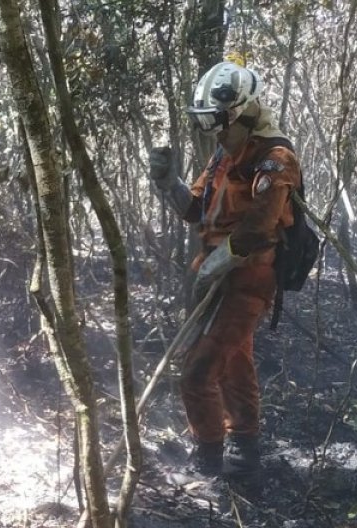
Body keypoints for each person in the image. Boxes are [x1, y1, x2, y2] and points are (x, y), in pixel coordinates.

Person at [148, 60, 302, 479]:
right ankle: (244, 449)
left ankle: (210, 460)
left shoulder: (276, 158)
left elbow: (257, 229)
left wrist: (214, 268)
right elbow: (196, 209)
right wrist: (168, 182)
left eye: (222, 125)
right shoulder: (222, 154)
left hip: (248, 276)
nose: (216, 135)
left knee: (197, 371)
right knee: (234, 361)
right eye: (210, 126)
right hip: (214, 269)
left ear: (246, 114)